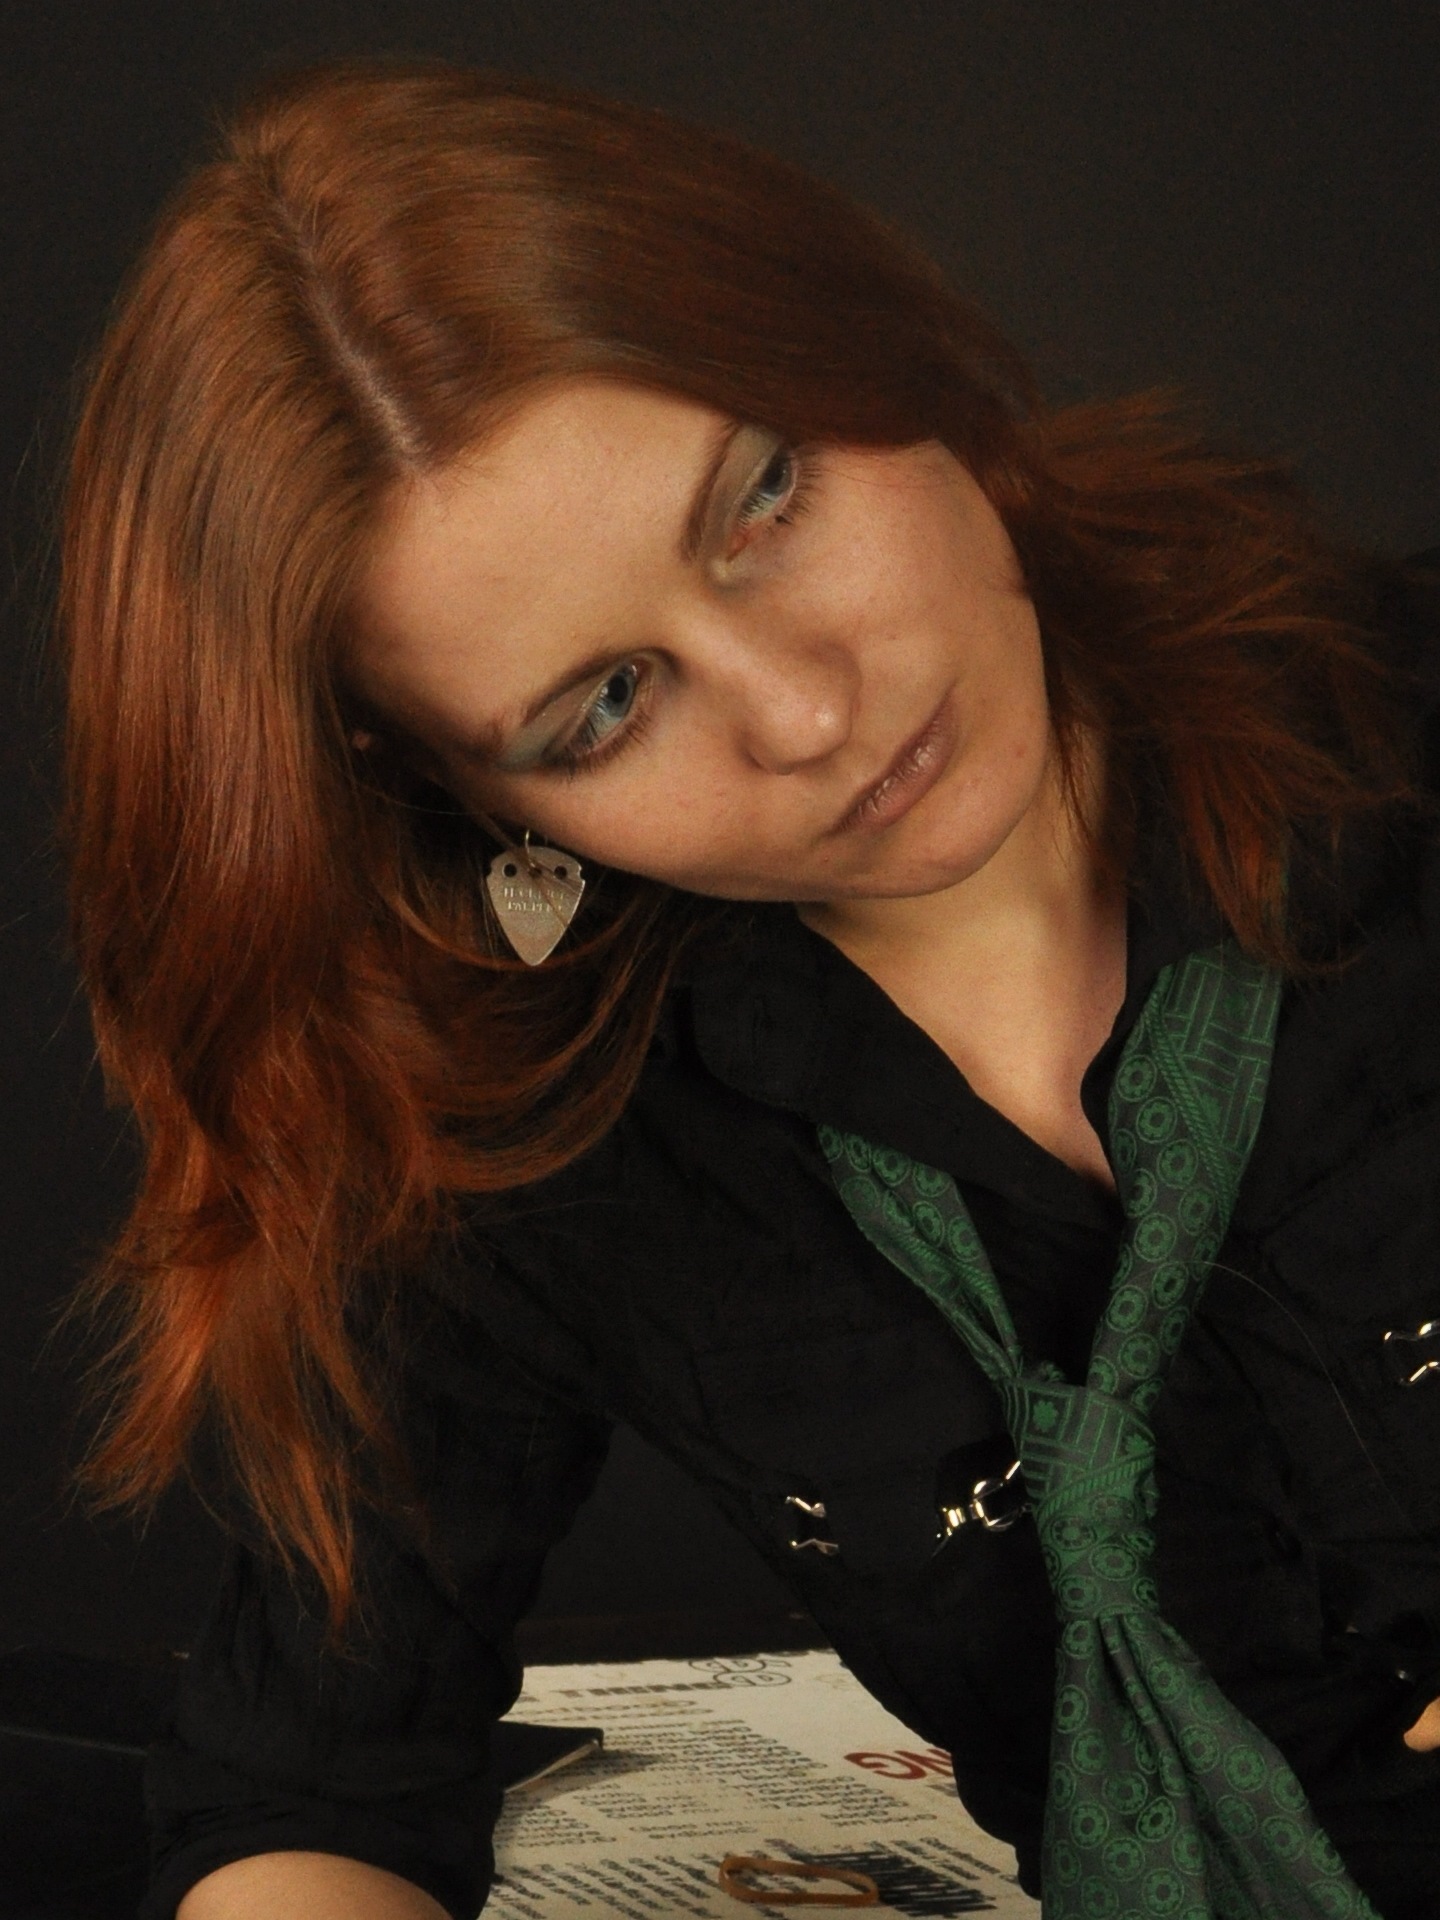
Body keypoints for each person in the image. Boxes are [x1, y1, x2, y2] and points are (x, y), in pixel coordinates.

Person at [58, 58, 1440, 1920]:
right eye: (605, 707)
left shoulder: (1404, 725)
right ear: (465, 801)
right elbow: (306, 1786)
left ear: (868, 348)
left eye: (765, 497)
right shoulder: (540, 1144)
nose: (805, 710)